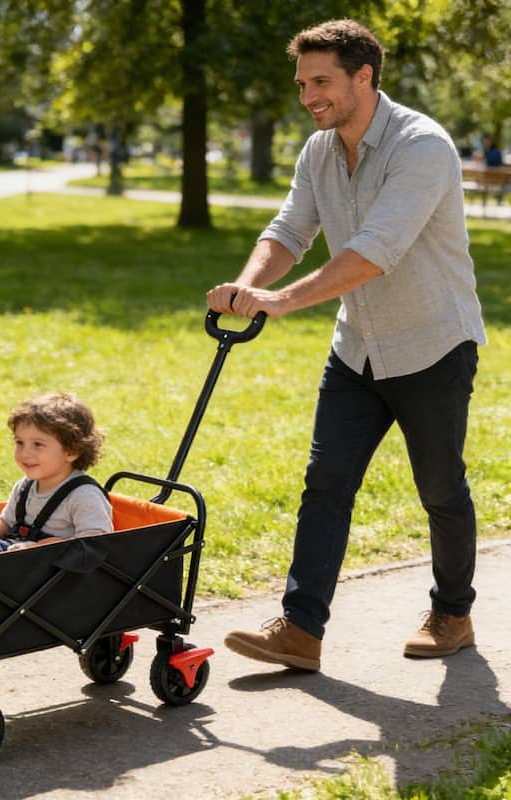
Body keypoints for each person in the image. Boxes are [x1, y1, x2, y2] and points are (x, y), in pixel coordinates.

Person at [206, 19, 486, 672]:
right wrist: (246, 286)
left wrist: (281, 302)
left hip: (433, 347)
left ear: (365, 76)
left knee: (439, 487)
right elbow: (292, 227)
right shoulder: (320, 151)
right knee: (325, 483)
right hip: (358, 350)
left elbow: (373, 252)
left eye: (321, 81)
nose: (309, 96)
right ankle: (301, 630)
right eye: (303, 83)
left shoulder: (422, 146)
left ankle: (453, 613)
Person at [0, 392, 113, 559]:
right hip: (18, 558)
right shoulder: (24, 487)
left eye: (38, 445)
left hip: (56, 571)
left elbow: (94, 545)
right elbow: (7, 521)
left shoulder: (84, 495)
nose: (25, 453)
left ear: (71, 451)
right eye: (20, 442)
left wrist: (44, 547)